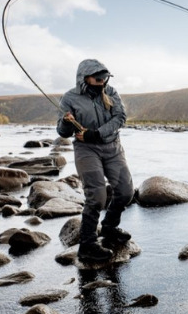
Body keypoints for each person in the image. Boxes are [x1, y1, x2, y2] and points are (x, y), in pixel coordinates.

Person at [57, 59, 134, 263]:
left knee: (126, 192)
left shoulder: (111, 93)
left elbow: (120, 118)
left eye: (104, 76)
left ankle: (109, 228)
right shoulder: (69, 98)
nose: (102, 80)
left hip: (112, 148)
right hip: (86, 151)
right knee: (97, 197)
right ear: (84, 78)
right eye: (97, 77)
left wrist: (97, 134)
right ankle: (87, 245)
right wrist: (66, 122)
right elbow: (62, 132)